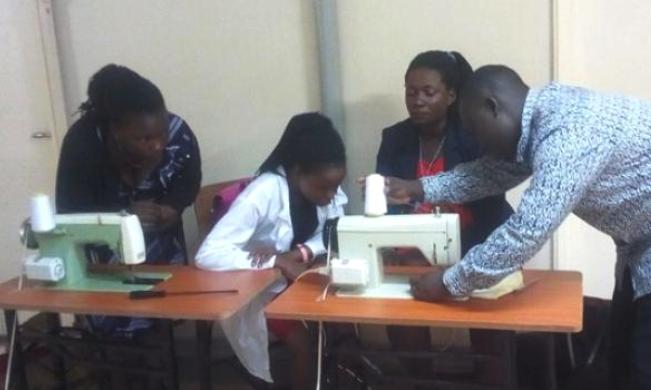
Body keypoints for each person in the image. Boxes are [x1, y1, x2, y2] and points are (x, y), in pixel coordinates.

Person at [387, 65, 651, 390]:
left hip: (644, 247)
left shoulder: (569, 134)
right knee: (621, 361)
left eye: (474, 129)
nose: (477, 141)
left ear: (492, 107)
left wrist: (448, 281)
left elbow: (525, 233)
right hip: (637, 250)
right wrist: (419, 189)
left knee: (643, 368)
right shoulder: (544, 114)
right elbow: (488, 174)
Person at [375, 50, 513, 382]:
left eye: (428, 92)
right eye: (411, 91)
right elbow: (389, 206)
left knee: (489, 329)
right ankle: (420, 380)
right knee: (402, 305)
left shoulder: (473, 134)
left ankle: (490, 380)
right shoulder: (394, 138)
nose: (417, 100)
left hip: (475, 245)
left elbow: (490, 198)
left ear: (451, 95)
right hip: (414, 253)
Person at [196, 112, 347, 389]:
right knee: (304, 344)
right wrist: (275, 261)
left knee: (342, 318)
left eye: (336, 186)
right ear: (297, 171)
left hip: (295, 278)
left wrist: (299, 253)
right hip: (257, 288)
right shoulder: (262, 193)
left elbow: (334, 230)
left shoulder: (322, 188)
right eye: (325, 187)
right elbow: (207, 254)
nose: (331, 195)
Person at [56, 64, 201, 333]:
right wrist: (121, 214)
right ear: (115, 130)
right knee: (116, 320)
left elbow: (190, 180)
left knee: (164, 316)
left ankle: (159, 369)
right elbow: (69, 210)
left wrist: (172, 206)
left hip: (163, 240)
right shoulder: (83, 145)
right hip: (106, 248)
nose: (157, 144)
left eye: (161, 134)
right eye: (144, 138)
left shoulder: (179, 134)